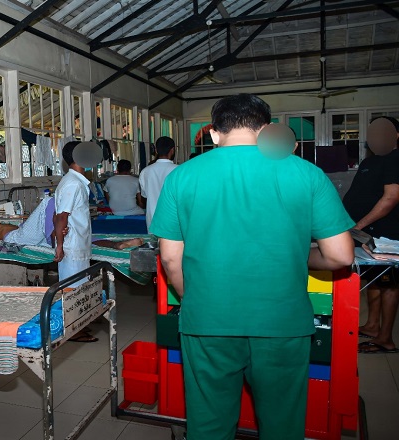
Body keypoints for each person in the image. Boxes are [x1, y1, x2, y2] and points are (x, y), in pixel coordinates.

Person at [150, 93, 355, 440]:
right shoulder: (306, 173)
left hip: (208, 320)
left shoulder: (182, 176)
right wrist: (300, 256)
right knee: (282, 425)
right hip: (282, 322)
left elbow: (170, 258)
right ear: (266, 130)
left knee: (209, 424)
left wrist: (191, 297)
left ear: (214, 133)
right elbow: (341, 256)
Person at [343, 116, 399, 354]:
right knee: (375, 279)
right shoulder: (371, 161)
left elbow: (391, 198)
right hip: (368, 234)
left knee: (389, 283)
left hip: (387, 234)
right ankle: (373, 325)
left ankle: (386, 339)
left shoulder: (395, 159)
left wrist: (358, 225)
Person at [54, 141, 99, 343]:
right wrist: (60, 245)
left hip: (78, 243)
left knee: (79, 287)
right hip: (72, 246)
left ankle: (78, 324)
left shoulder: (76, 182)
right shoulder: (72, 183)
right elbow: (61, 216)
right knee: (73, 289)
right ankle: (72, 329)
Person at [0, 197, 143, 250]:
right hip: (18, 238)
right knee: (48, 201)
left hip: (27, 235)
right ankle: (54, 237)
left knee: (80, 237)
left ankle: (116, 245)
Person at [139, 136, 177, 230]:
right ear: (172, 150)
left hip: (153, 220)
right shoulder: (180, 170)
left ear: (156, 150)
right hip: (174, 220)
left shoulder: (145, 171)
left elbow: (144, 197)